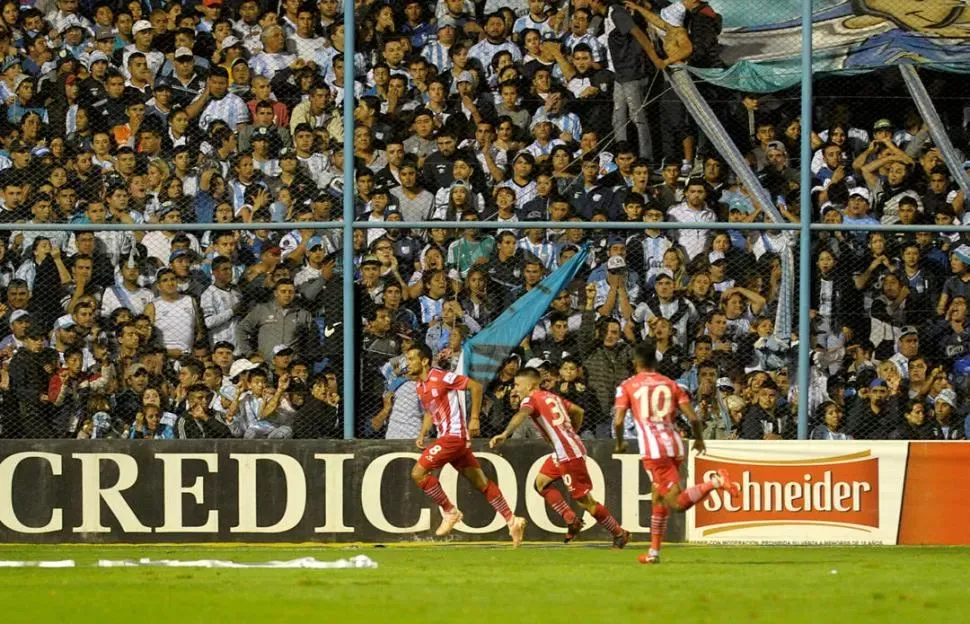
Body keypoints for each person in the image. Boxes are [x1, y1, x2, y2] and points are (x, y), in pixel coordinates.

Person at [614, 342, 739, 564]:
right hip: (675, 444)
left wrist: (621, 442)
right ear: (655, 362)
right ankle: (654, 552)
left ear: (636, 363)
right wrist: (699, 439)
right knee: (658, 497)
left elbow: (619, 420)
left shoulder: (628, 386)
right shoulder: (671, 384)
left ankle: (716, 482)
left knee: (677, 503)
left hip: (654, 452)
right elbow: (692, 417)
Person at [490, 367, 630, 547]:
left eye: (518, 384)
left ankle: (619, 533)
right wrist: (571, 433)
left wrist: (505, 433)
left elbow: (522, 414)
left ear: (531, 384)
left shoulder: (531, 399)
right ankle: (572, 520)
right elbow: (578, 411)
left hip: (569, 454)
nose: (515, 388)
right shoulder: (552, 396)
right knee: (540, 483)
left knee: (585, 501)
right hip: (565, 449)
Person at [406, 344, 527, 545]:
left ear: (425, 361)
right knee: (482, 483)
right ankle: (512, 520)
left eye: (411, 358)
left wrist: (474, 418)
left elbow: (475, 386)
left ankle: (450, 511)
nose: (407, 363)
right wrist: (423, 432)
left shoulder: (442, 376)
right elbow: (431, 410)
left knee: (418, 473)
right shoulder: (420, 386)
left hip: (453, 437)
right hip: (450, 440)